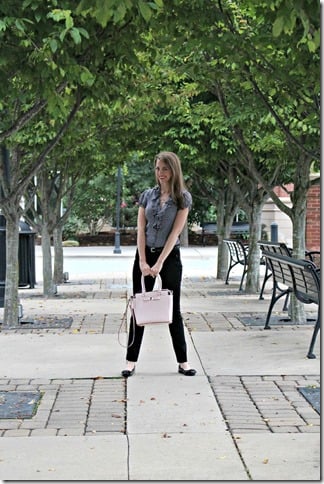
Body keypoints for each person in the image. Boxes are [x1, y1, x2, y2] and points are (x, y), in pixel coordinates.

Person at [121, 151, 196, 378]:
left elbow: (175, 233)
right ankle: (130, 361)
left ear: (174, 170)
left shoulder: (182, 198)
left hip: (169, 258)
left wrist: (160, 262)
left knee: (174, 310)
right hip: (144, 256)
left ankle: (183, 362)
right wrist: (143, 261)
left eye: (165, 168)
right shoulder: (147, 196)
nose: (160, 173)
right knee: (139, 308)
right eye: (157, 169)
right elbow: (141, 230)